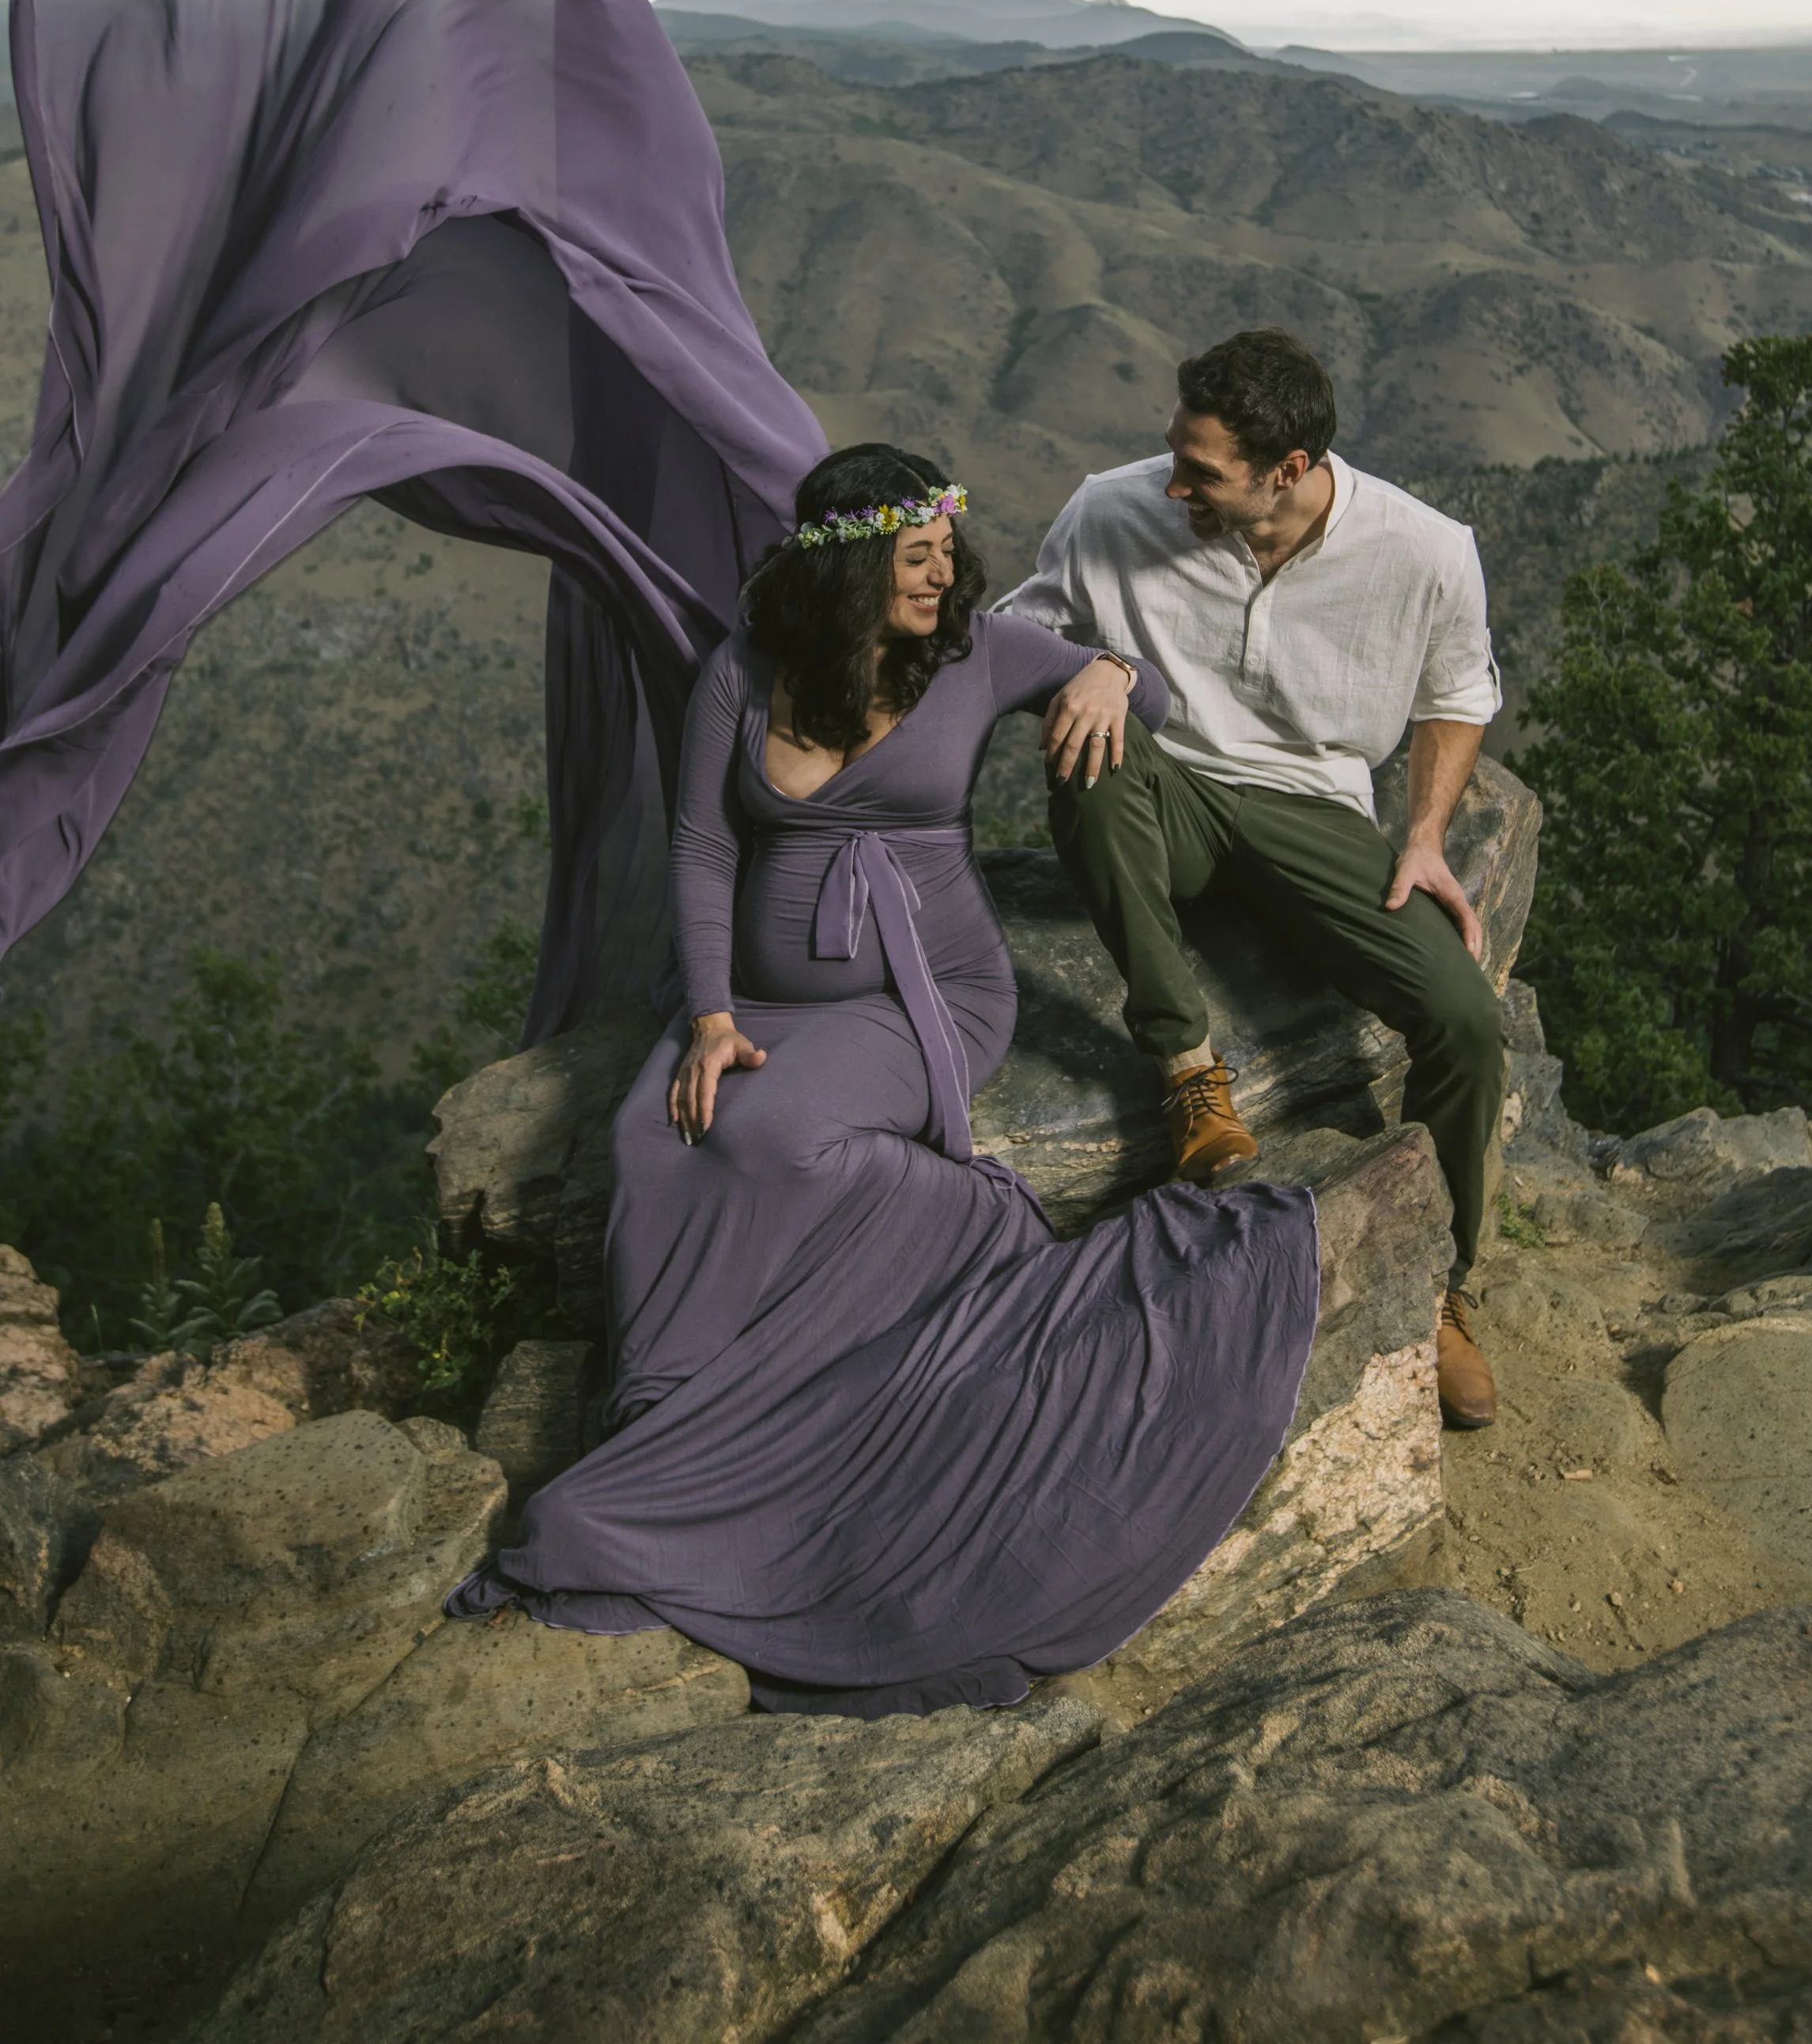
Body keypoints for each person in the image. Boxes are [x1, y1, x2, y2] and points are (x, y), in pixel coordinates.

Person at [447, 444, 1323, 1714]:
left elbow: (1144, 703)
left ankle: (960, 1231)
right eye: (917, 561)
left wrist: (1111, 677)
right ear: (851, 570)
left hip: (921, 1000)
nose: (944, 578)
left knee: (773, 1143)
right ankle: (666, 1412)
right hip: (752, 1005)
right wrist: (705, 1017)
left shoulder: (973, 654)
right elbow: (700, 847)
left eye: (946, 557)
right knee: (656, 1138)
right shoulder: (743, 676)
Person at [999, 330, 1505, 1430]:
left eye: (1204, 471)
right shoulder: (1110, 509)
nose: (1173, 481)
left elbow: (1459, 694)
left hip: (1312, 811)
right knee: (1093, 755)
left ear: (1290, 468)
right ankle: (1189, 1070)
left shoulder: (1424, 549)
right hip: (1165, 788)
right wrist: (1095, 664)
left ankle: (1445, 1290)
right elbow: (1017, 639)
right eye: (1175, 452)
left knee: (1466, 1018)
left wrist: (1423, 835)